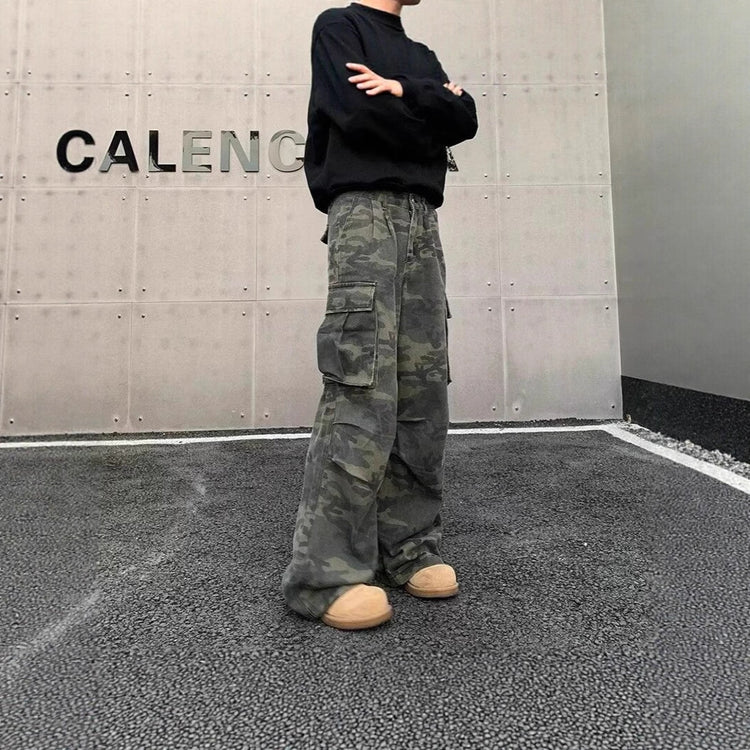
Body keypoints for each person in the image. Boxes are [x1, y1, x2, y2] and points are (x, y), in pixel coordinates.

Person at [281, 0, 478, 630]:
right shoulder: (338, 27)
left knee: (422, 390)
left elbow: (466, 119)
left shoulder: (419, 55)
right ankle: (325, 575)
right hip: (364, 215)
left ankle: (410, 548)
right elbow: (359, 117)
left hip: (423, 221)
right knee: (360, 385)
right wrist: (429, 113)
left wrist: (405, 90)